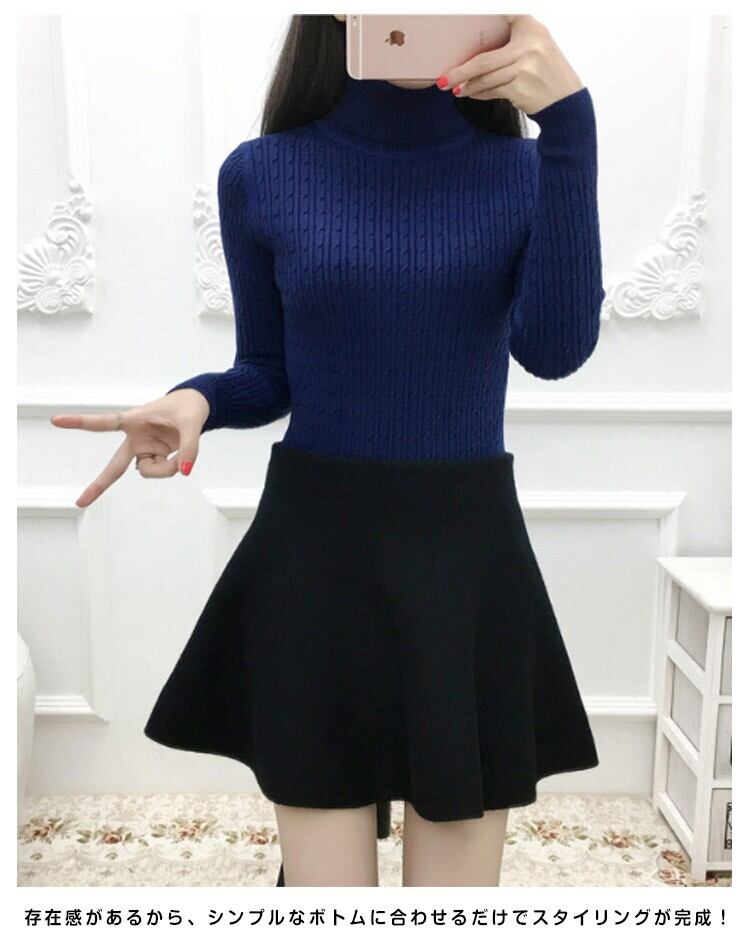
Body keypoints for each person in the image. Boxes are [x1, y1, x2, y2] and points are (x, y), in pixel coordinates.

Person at [51, 14, 604, 886]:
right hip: (314, 558)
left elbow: (556, 348)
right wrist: (201, 398)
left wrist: (570, 125)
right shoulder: (263, 173)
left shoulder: (526, 171)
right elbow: (270, 369)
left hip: (465, 560)